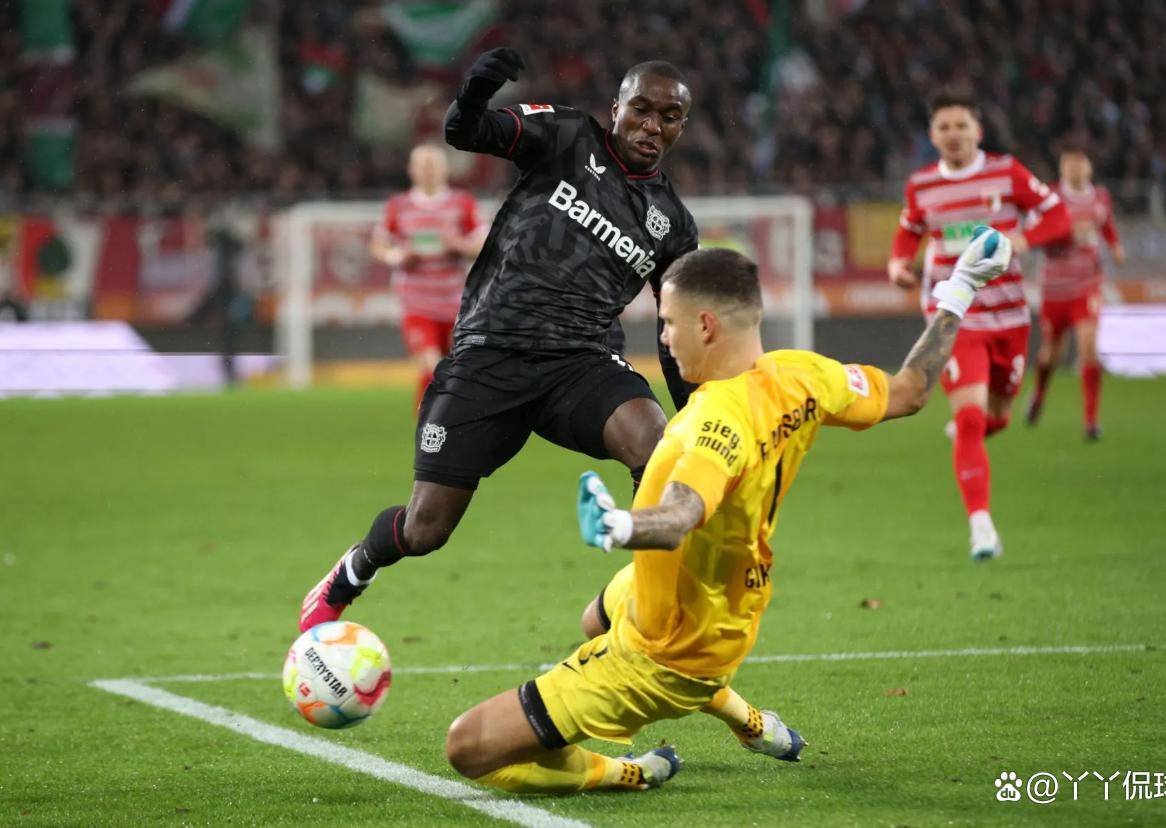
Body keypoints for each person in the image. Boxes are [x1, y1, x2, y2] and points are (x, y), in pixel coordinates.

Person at [441, 230, 1013, 794]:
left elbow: (680, 515)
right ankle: (748, 719)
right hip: (719, 596)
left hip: (668, 651)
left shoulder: (714, 421)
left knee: (469, 746)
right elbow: (909, 390)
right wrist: (960, 288)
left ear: (706, 325)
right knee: (596, 617)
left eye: (668, 322)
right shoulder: (802, 374)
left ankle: (628, 771)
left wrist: (620, 525)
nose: (664, 337)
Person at [300, 48, 699, 631]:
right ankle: (351, 572)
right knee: (425, 528)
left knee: (657, 446)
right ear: (616, 109)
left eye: (669, 117)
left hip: (581, 363)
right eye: (641, 109)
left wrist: (696, 413)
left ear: (681, 127)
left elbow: (674, 326)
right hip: (490, 353)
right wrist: (475, 91)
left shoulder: (674, 223)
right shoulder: (567, 136)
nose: (652, 126)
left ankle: (642, 604)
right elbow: (465, 132)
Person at [887, 92, 1070, 561]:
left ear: (978, 132)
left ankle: (972, 435)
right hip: (953, 316)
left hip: (1009, 316)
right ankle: (981, 526)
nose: (953, 134)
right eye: (943, 127)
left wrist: (1023, 239)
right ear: (932, 136)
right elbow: (909, 229)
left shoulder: (1007, 173)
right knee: (970, 418)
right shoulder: (922, 185)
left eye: (961, 126)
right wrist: (898, 263)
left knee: (998, 416)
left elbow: (1059, 216)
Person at [370, 143, 487, 409]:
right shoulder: (398, 206)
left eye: (433, 165)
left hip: (457, 303)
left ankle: (434, 421)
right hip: (417, 303)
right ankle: (431, 423)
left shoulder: (463, 203)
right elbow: (378, 245)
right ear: (411, 170)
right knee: (432, 365)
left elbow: (483, 243)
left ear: (445, 169)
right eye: (423, 165)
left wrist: (458, 244)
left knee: (454, 371)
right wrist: (399, 256)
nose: (428, 170)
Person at [1025, 148, 1124, 440]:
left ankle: (1091, 420)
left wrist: (1115, 246)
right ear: (1062, 169)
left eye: (1079, 164)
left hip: (1087, 285)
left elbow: (1106, 225)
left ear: (1089, 168)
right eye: (1069, 165)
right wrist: (1067, 233)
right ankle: (1039, 396)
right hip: (1055, 289)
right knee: (1050, 355)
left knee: (1088, 348)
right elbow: (1034, 236)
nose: (1074, 170)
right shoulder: (1050, 198)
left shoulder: (1101, 197)